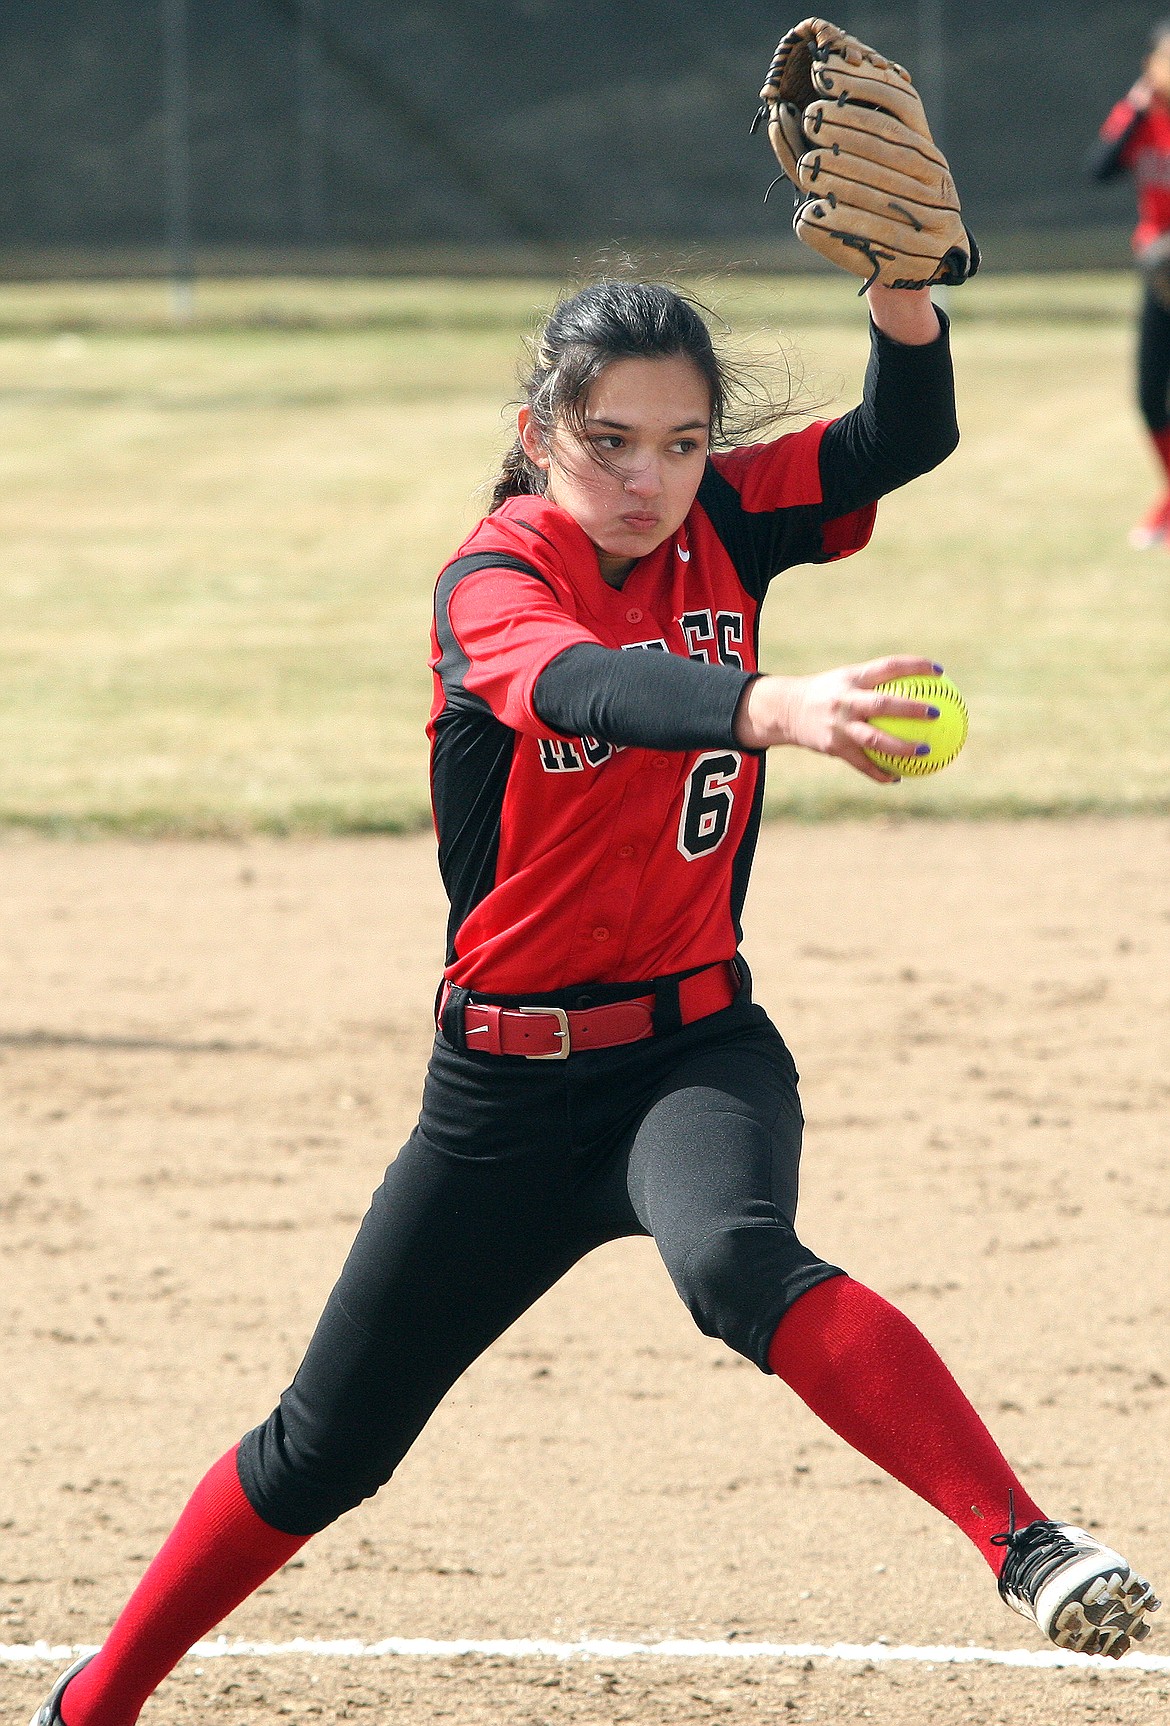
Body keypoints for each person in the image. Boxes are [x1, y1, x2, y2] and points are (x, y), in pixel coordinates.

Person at [30, 268, 1159, 1726]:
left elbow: (899, 440)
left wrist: (899, 305)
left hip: (693, 1049)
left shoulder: (729, 520)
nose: (649, 476)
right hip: (498, 1095)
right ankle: (92, 1705)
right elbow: (583, 690)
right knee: (326, 1446)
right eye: (610, 439)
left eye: (683, 441)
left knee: (737, 1260)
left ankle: (1030, 1544)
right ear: (537, 430)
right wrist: (772, 704)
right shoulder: (491, 580)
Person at [1091, 18, 1170, 546]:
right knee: (1149, 396)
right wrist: (1138, 106)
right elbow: (1098, 168)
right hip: (1160, 274)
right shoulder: (1144, 116)